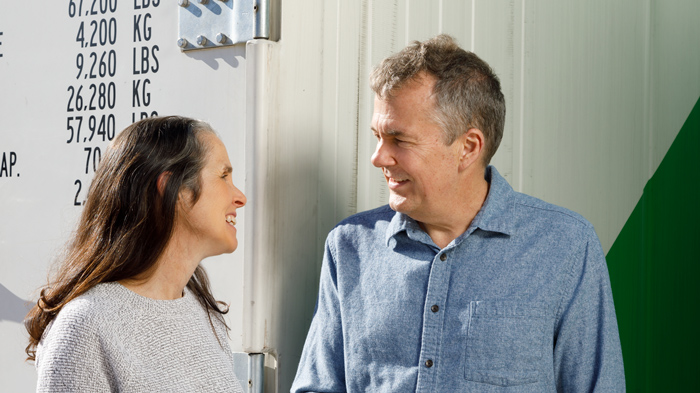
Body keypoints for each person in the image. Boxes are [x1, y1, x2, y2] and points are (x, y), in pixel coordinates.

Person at [291, 35, 625, 392]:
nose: (378, 157)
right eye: (377, 136)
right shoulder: (349, 248)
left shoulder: (564, 247)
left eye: (399, 140)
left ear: (467, 148)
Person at [25, 116, 246, 392]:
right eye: (224, 176)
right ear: (174, 188)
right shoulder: (85, 327)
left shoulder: (203, 312)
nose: (240, 197)